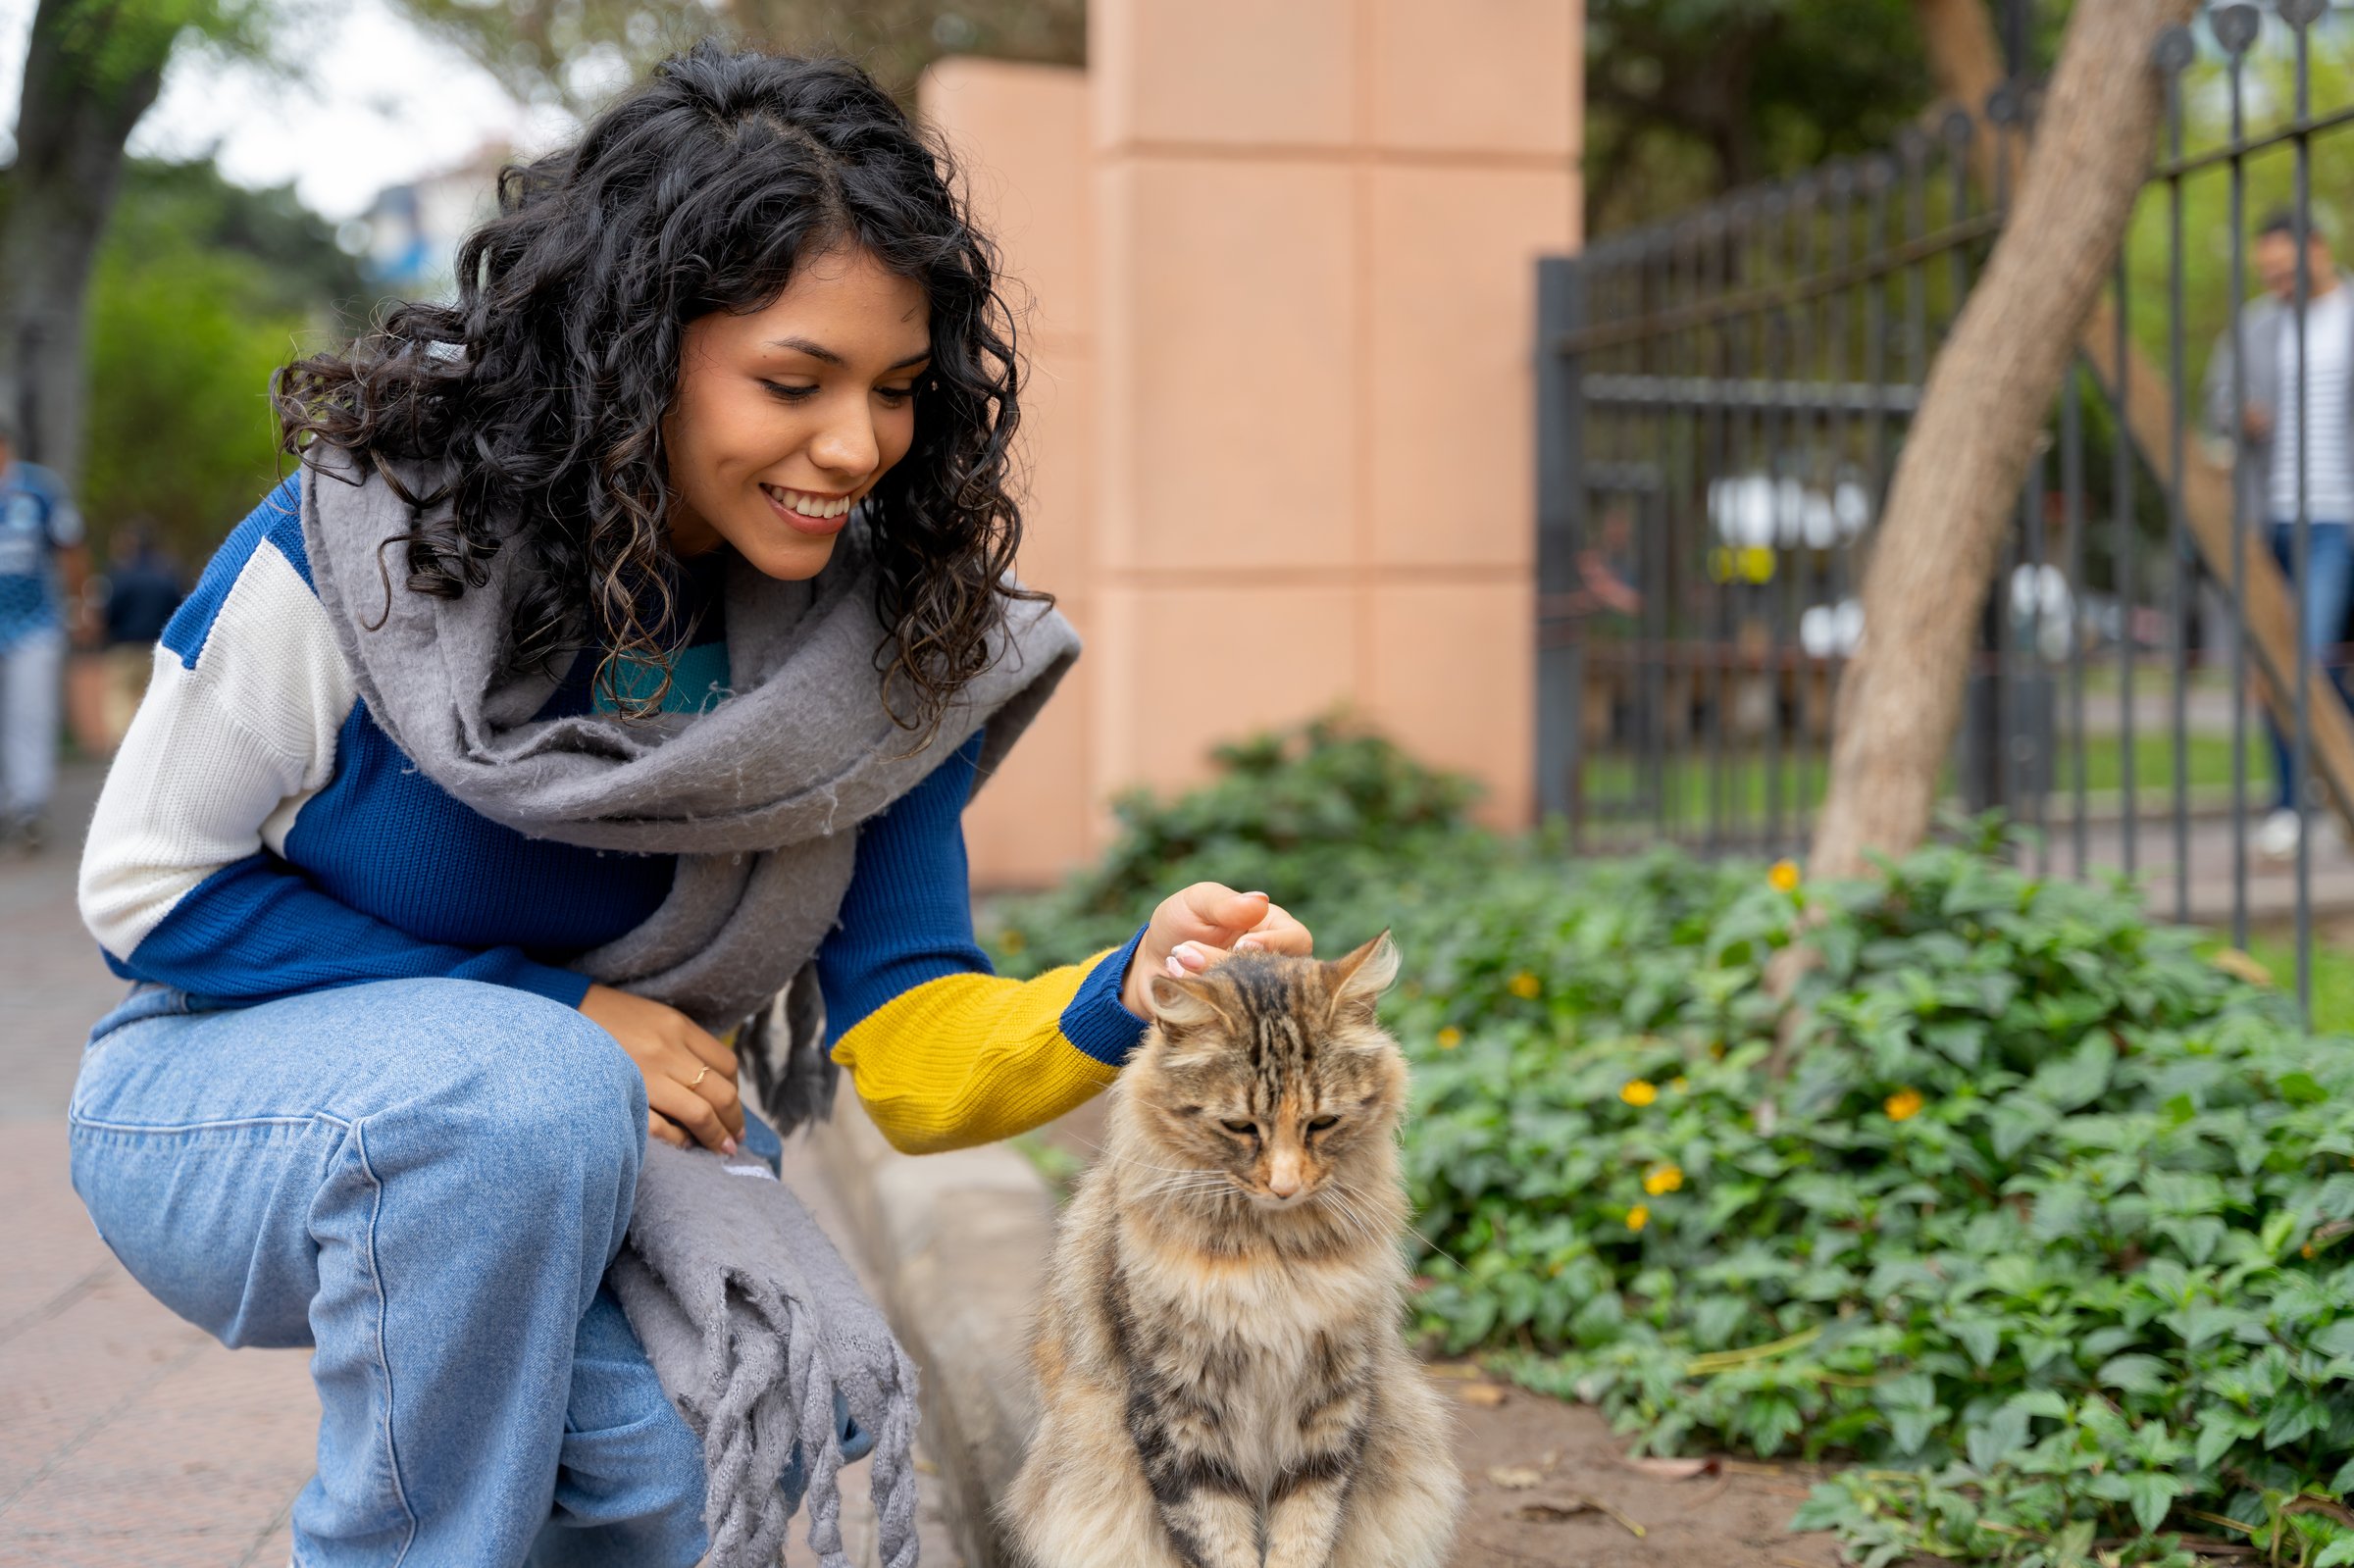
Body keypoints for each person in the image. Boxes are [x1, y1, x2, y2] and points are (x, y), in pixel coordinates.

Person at [68, 48, 1310, 1568]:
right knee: (524, 1092)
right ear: (634, 351)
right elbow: (144, 888)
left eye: (899, 390)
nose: (857, 448)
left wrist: (1132, 987)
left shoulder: (877, 646)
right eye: (795, 382)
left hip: (608, 1167)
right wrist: (558, 1006)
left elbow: (912, 1042)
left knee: (675, 1463)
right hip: (230, 1110)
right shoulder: (371, 545)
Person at [2206, 209, 2354, 860]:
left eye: (2288, 268)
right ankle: (2297, 801)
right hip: (2273, 515)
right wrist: (2240, 415)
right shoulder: (2256, 326)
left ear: (2320, 251)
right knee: (2281, 662)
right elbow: (2217, 400)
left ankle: (2308, 800)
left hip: (2340, 515)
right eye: (2268, 272)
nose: (2279, 281)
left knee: (2309, 655)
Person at [0, 411, 93, 851]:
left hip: (34, 623)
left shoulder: (38, 489)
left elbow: (70, 549)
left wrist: (82, 606)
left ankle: (29, 808)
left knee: (30, 713)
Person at [95, 522, 183, 746]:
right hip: (157, 647)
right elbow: (178, 607)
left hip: (124, 647)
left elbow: (109, 611)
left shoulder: (120, 576)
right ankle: (150, 746)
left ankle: (125, 749)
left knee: (121, 702)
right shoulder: (167, 574)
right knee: (153, 701)